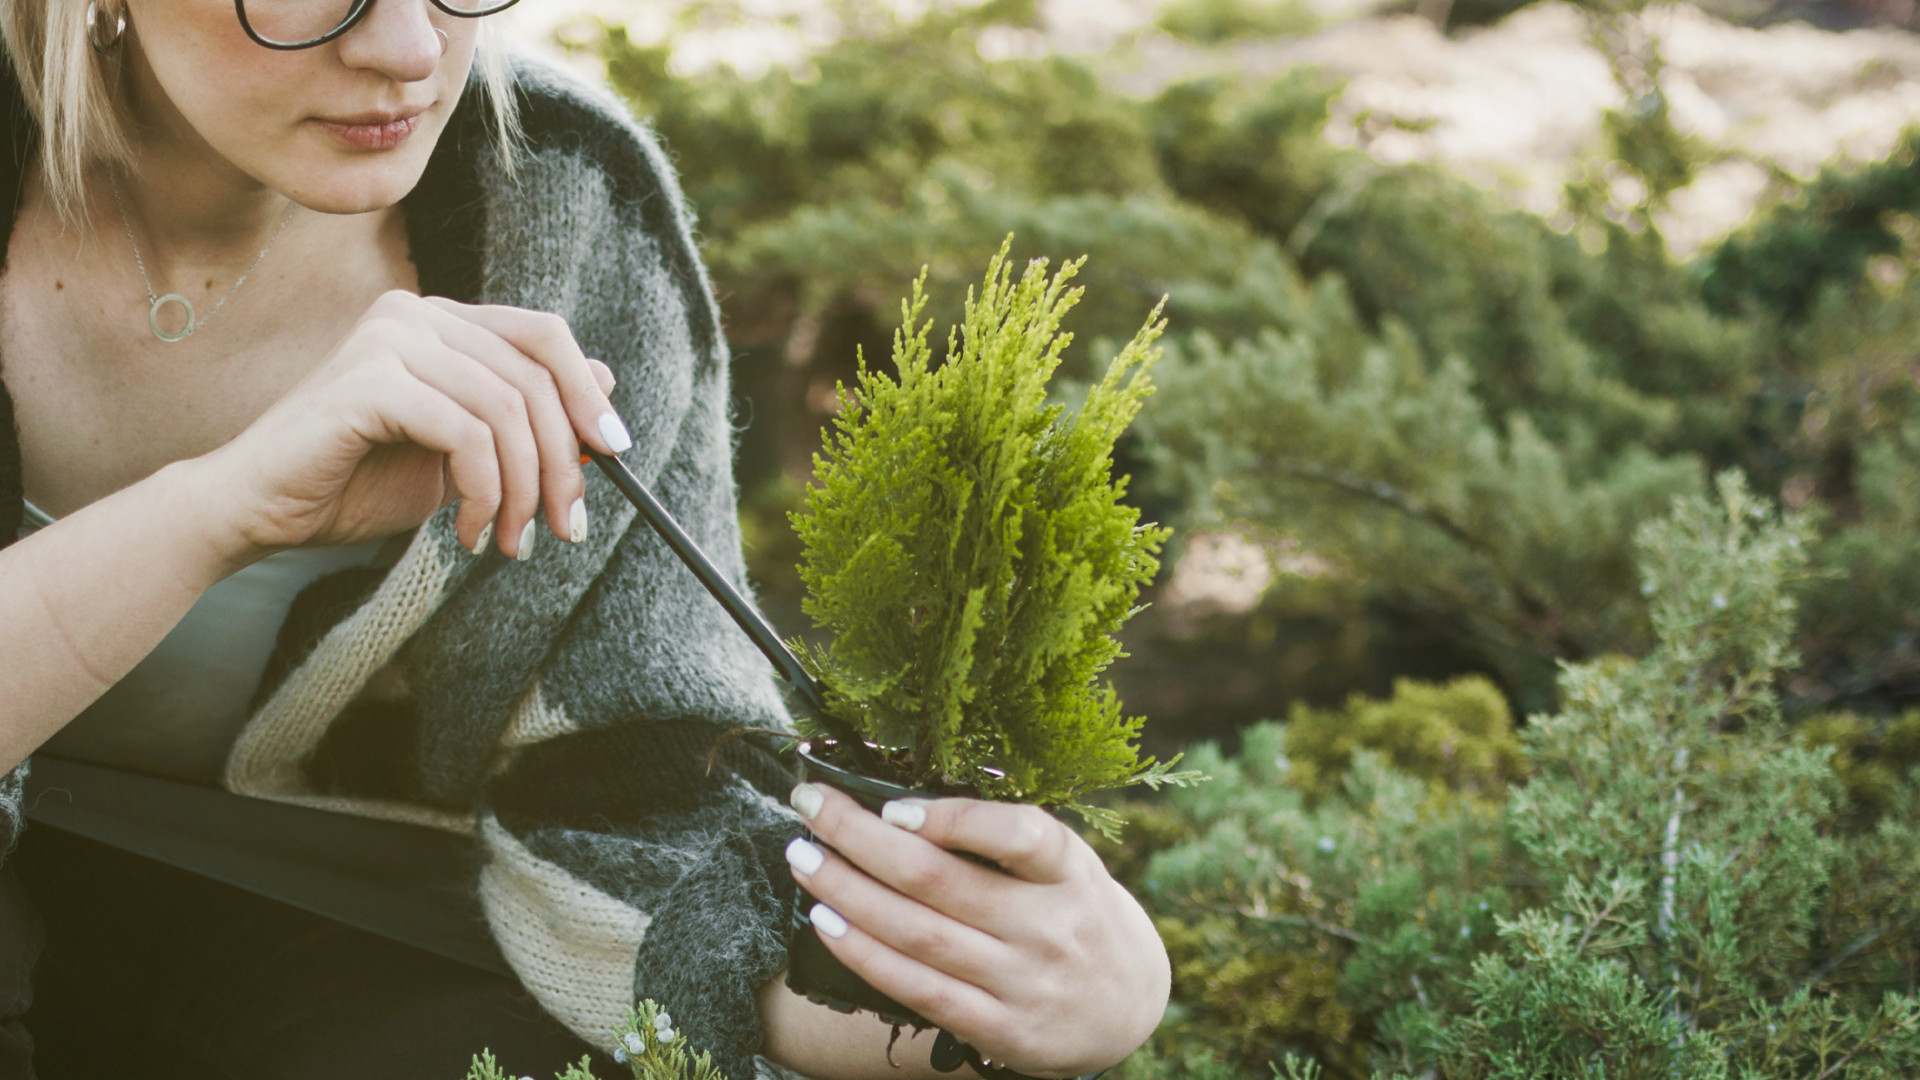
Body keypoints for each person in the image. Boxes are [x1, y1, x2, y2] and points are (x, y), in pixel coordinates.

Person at [0, 0, 1173, 1077]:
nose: (410, 50)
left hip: (322, 911)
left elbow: (640, 803)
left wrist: (995, 1004)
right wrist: (222, 508)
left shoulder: (563, 209)